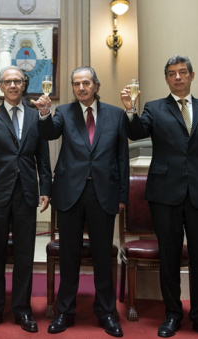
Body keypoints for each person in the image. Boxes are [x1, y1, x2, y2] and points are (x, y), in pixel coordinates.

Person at [120, 55, 198, 339]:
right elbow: (136, 132)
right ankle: (172, 315)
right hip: (164, 195)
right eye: (172, 73)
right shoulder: (154, 108)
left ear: (192, 76)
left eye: (183, 72)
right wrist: (131, 110)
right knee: (168, 258)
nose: (178, 77)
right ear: (166, 78)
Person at [37, 66, 129, 337]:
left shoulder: (116, 114)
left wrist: (122, 194)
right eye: (76, 84)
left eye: (86, 83)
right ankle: (65, 311)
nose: (81, 88)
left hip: (104, 193)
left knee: (103, 256)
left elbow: (122, 157)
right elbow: (49, 134)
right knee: (68, 256)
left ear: (96, 86)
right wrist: (44, 113)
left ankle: (106, 312)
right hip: (69, 192)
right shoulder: (64, 112)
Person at [0, 65, 52, 333]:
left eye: (18, 81)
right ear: (1, 86)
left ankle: (22, 310)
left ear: (24, 84)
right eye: (8, 81)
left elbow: (43, 156)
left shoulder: (34, 115)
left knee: (25, 255)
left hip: (26, 192)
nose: (13, 85)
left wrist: (46, 188)